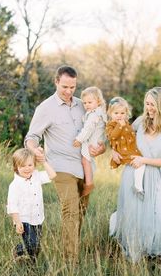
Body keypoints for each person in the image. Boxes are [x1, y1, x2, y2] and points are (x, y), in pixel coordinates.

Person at [24, 65, 105, 262]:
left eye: (73, 87)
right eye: (65, 87)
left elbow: (98, 134)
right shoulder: (45, 108)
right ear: (56, 82)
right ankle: (70, 263)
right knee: (70, 210)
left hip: (85, 167)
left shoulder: (83, 104)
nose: (69, 91)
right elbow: (31, 137)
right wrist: (35, 149)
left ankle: (71, 248)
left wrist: (101, 148)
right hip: (60, 166)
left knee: (80, 213)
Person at [109, 87, 161, 274]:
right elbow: (122, 136)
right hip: (133, 176)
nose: (149, 108)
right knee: (135, 217)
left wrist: (144, 159)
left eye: (152, 104)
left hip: (155, 177)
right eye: (147, 103)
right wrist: (114, 149)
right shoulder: (140, 123)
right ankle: (136, 259)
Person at [7, 148, 56, 263]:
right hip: (24, 220)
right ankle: (19, 253)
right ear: (16, 167)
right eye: (22, 166)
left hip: (38, 218)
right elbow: (12, 205)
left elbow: (53, 175)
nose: (27, 168)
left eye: (30, 165)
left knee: (36, 245)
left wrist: (43, 161)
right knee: (32, 244)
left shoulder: (36, 176)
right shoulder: (15, 185)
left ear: (34, 164)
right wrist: (17, 221)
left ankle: (29, 261)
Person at [106, 97, 145, 194]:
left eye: (122, 113)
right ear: (110, 113)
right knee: (141, 164)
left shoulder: (127, 124)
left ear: (126, 114)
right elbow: (112, 136)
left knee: (141, 164)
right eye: (116, 113)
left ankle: (138, 185)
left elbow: (132, 134)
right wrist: (120, 126)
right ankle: (138, 186)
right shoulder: (111, 125)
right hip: (123, 151)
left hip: (131, 150)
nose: (119, 116)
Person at [73, 86, 107, 196]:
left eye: (90, 102)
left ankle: (89, 183)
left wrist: (79, 139)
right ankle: (89, 180)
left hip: (92, 140)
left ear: (98, 101)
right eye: (85, 103)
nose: (87, 105)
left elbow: (88, 129)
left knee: (85, 160)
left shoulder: (93, 115)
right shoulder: (99, 112)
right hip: (97, 139)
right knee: (88, 160)